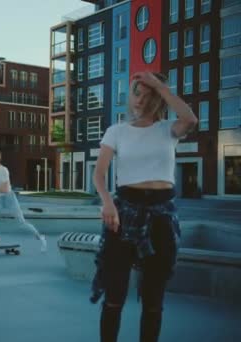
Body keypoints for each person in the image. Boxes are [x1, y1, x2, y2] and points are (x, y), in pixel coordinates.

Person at [91, 72, 197, 342]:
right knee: (114, 297)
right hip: (124, 212)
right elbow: (99, 174)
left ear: (159, 98)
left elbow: (191, 119)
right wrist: (107, 203)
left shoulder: (169, 129)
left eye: (149, 95)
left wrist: (161, 86)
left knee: (153, 301)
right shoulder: (117, 131)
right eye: (137, 93)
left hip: (162, 215)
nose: (141, 100)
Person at [0, 147, 47, 252]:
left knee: (21, 222)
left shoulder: (3, 170)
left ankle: (40, 237)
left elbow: (5, 189)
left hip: (9, 198)